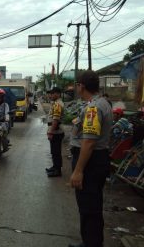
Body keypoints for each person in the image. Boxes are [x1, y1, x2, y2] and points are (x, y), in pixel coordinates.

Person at [69, 70, 112, 247]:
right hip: (97, 160)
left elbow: (88, 143)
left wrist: (78, 171)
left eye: (77, 85)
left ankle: (91, 243)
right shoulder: (102, 103)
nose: (76, 88)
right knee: (92, 206)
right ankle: (90, 242)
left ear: (82, 86)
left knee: (89, 208)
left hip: (91, 162)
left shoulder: (93, 108)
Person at [45, 87, 65, 177]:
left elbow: (56, 120)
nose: (51, 95)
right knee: (54, 151)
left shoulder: (58, 104)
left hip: (56, 132)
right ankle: (54, 167)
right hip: (55, 131)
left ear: (58, 94)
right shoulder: (56, 103)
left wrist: (51, 132)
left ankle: (57, 170)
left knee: (56, 152)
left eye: (52, 94)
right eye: (51, 94)